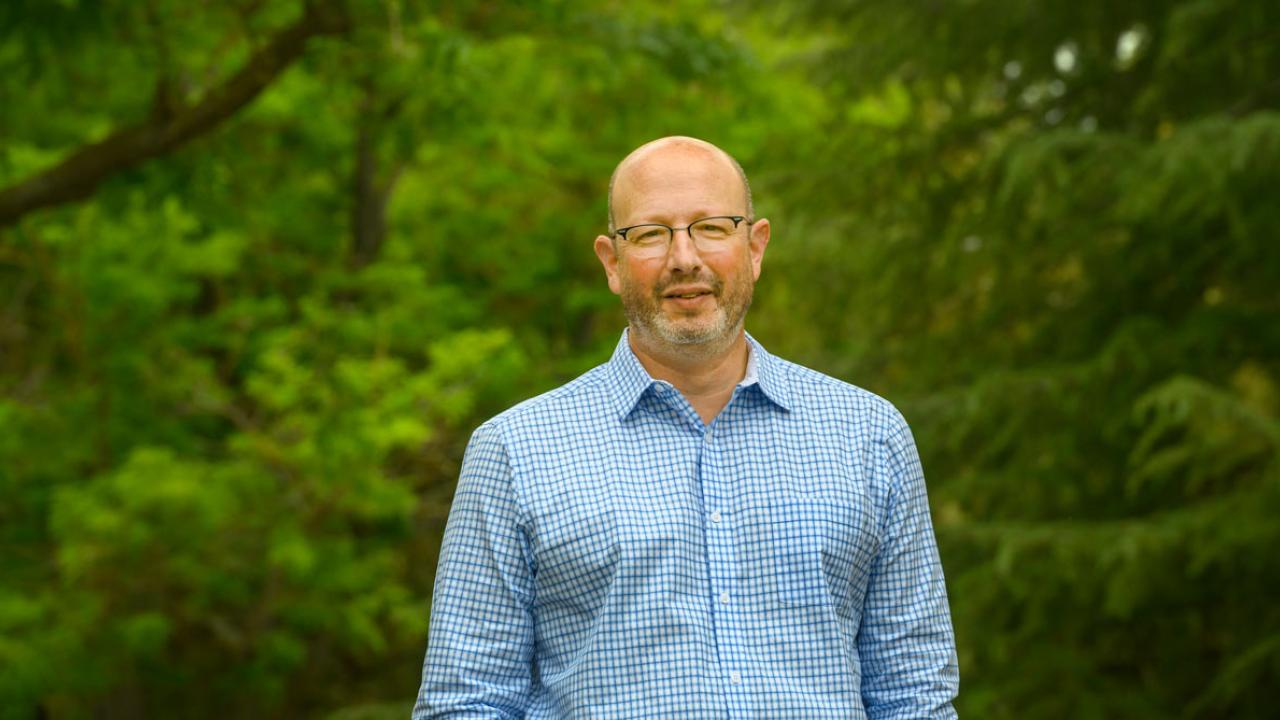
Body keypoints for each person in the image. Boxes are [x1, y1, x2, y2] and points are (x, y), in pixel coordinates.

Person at [413, 136, 959, 719]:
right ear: (611, 263)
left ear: (755, 247)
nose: (684, 258)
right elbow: (466, 703)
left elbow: (914, 697)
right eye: (650, 234)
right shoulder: (515, 451)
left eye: (711, 227)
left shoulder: (869, 435)